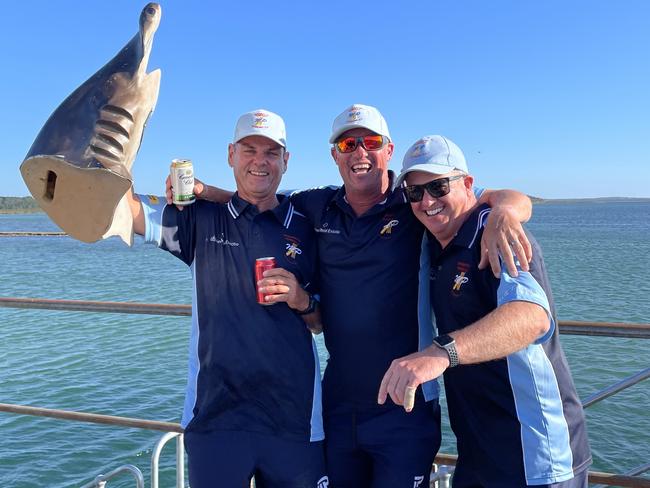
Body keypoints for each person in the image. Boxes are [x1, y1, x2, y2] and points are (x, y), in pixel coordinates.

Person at [174, 104, 534, 487]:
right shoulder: (316, 206)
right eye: (348, 143)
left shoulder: (414, 201)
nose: (359, 152)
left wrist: (505, 214)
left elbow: (492, 197)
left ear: (388, 150)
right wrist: (204, 191)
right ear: (335, 155)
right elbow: (259, 198)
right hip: (339, 404)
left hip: (405, 405)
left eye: (371, 142)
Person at [128, 109, 328, 488]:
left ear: (286, 161)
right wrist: (125, 134)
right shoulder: (199, 218)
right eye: (249, 149)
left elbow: (320, 323)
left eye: (271, 152)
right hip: (216, 418)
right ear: (230, 155)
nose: (259, 160)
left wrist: (301, 299)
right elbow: (128, 211)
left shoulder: (306, 226)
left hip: (295, 421)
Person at [379, 135, 592, 487]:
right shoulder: (434, 243)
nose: (427, 201)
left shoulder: (496, 235)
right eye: (415, 193)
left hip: (536, 453)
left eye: (437, 186)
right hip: (478, 453)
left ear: (466, 184)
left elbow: (532, 316)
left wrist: (440, 352)